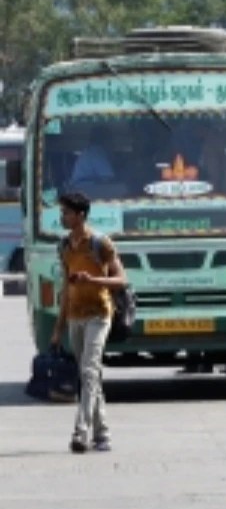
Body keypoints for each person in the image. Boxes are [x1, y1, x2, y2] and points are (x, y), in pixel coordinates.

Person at [49, 192, 128, 453]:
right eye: (62, 213)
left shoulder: (99, 244)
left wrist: (93, 281)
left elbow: (121, 280)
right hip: (75, 315)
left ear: (80, 215)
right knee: (90, 374)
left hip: (99, 313)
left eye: (67, 213)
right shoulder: (64, 247)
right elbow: (65, 288)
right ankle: (102, 433)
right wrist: (58, 328)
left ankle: (81, 432)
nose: (63, 217)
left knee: (89, 371)